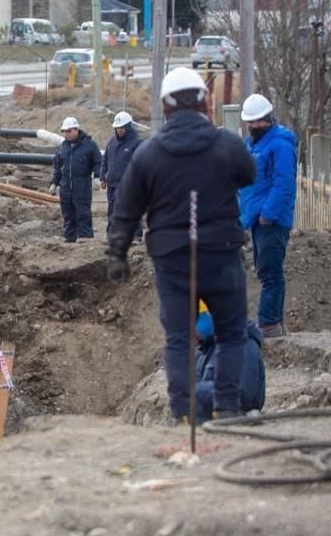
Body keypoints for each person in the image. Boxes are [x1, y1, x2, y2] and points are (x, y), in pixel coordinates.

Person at [107, 67, 256, 422]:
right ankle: (228, 408)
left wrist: (117, 253)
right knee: (232, 333)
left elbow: (126, 210)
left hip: (173, 259)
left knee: (178, 338)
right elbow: (248, 174)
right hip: (221, 253)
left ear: (165, 107)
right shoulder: (227, 145)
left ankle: (183, 413)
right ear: (205, 102)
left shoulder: (148, 154)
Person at [238, 93, 297, 339]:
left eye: (256, 122)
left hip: (271, 219)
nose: (252, 126)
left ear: (267, 119)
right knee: (266, 270)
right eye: (249, 122)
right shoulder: (251, 144)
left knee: (269, 271)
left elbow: (284, 184)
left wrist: (268, 214)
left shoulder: (280, 145)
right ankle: (274, 323)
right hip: (255, 217)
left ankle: (269, 324)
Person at [194, 300, 266, 423]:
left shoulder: (243, 346)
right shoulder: (204, 349)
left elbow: (241, 394)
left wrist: (196, 391)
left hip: (231, 424)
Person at [49, 116, 103, 242]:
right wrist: (54, 183)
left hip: (82, 186)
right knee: (68, 214)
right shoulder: (63, 147)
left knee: (83, 213)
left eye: (69, 131)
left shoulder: (89, 145)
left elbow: (98, 162)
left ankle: (85, 239)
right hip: (66, 187)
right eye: (64, 132)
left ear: (76, 129)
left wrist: (97, 176)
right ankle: (69, 239)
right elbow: (58, 166)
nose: (66, 134)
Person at [101, 111, 143, 238]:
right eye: (117, 128)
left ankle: (136, 235)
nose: (119, 130)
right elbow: (105, 160)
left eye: (121, 128)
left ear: (128, 126)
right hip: (113, 184)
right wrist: (103, 176)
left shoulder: (137, 143)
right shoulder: (112, 143)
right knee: (112, 210)